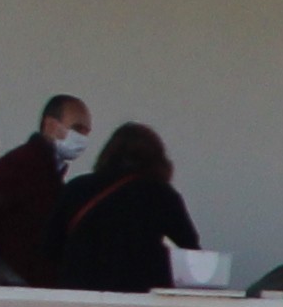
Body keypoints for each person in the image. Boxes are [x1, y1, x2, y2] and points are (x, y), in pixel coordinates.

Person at [53, 122, 201, 293]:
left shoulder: (76, 189)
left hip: (79, 295)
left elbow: (51, 248)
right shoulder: (161, 195)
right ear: (157, 160)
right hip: (140, 298)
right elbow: (190, 252)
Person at [0, 94, 90, 284]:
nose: (82, 138)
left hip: (28, 284)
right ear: (51, 125)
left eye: (86, 132)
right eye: (77, 128)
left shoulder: (49, 171)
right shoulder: (20, 165)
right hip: (11, 286)